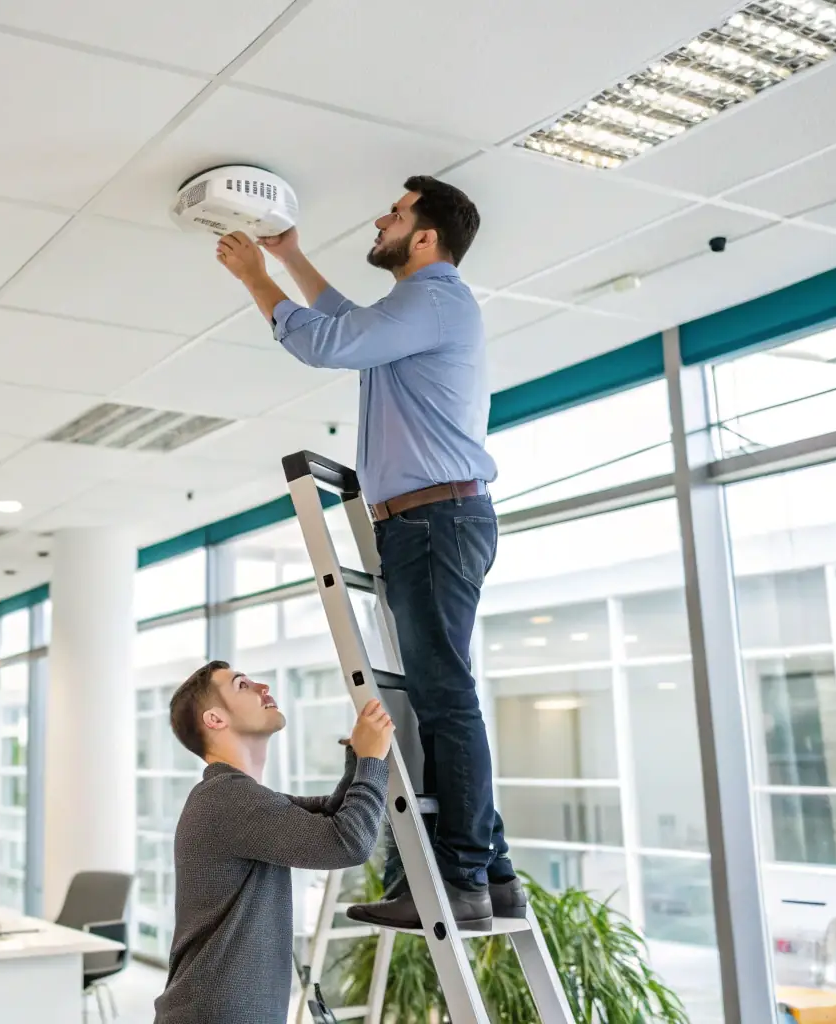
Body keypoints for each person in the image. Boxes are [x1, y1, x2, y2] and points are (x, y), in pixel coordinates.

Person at [214, 175, 521, 931]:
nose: (379, 220)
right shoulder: (421, 306)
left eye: (394, 214)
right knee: (444, 700)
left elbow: (330, 344)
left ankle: (460, 885)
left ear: (424, 239)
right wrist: (290, 259)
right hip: (429, 522)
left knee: (445, 703)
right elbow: (350, 322)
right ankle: (494, 876)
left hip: (434, 523)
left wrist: (256, 278)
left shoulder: (437, 297)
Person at [154, 660, 392, 1024]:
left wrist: (361, 757)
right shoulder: (226, 799)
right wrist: (372, 760)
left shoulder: (236, 797)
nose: (262, 687)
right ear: (215, 719)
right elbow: (348, 842)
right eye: (242, 685)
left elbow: (329, 816)